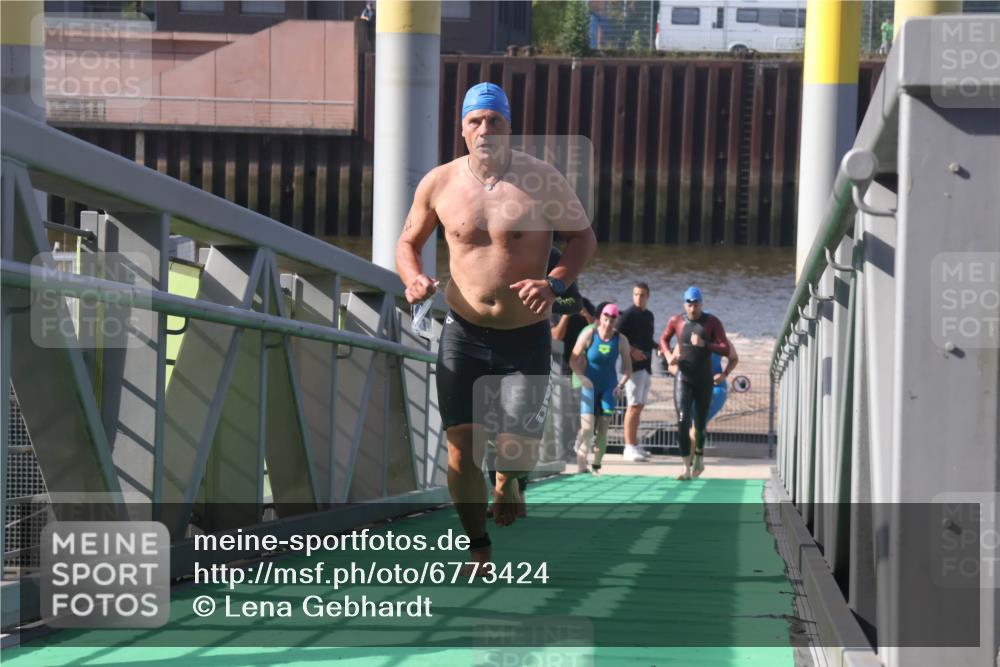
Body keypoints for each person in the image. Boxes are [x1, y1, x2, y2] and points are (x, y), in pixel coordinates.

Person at [396, 82, 596, 572]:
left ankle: (509, 480)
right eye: (475, 121)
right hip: (462, 333)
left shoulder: (543, 179)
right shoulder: (439, 183)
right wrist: (414, 277)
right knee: (461, 452)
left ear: (509, 126)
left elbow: (583, 240)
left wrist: (554, 283)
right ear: (462, 129)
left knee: (517, 446)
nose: (485, 129)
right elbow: (408, 243)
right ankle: (478, 546)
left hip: (525, 333)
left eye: (495, 120)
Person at [659, 287, 730, 481]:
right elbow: (663, 339)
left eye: (696, 304)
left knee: (699, 424)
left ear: (701, 304)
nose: (693, 308)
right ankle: (685, 467)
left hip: (704, 379)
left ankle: (699, 457)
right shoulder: (677, 321)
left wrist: (704, 344)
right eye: (689, 305)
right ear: (685, 304)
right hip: (683, 377)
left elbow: (725, 348)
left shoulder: (711, 322)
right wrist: (667, 354)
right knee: (682, 420)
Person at [571, 303, 633, 474]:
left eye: (612, 321)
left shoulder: (621, 340)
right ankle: (581, 462)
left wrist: (620, 386)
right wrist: (581, 377)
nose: (608, 324)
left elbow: (628, 369)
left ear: (616, 321)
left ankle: (597, 465)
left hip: (609, 387)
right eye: (605, 320)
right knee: (587, 427)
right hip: (589, 386)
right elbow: (572, 359)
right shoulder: (590, 334)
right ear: (601, 319)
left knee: (604, 427)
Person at [615, 282, 654, 462]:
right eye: (636, 294)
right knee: (632, 406)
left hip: (646, 367)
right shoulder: (628, 315)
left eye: (642, 295)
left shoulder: (649, 316)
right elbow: (617, 337)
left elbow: (647, 339)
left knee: (639, 406)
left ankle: (635, 443)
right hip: (631, 368)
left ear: (648, 296)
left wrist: (659, 347)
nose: (639, 298)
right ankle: (628, 447)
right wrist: (632, 350)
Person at [683, 342, 739, 465]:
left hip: (716, 387)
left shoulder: (721, 341)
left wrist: (724, 374)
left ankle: (691, 461)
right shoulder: (688, 336)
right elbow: (673, 363)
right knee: (696, 425)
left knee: (698, 423)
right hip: (692, 386)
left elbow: (734, 358)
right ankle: (696, 458)